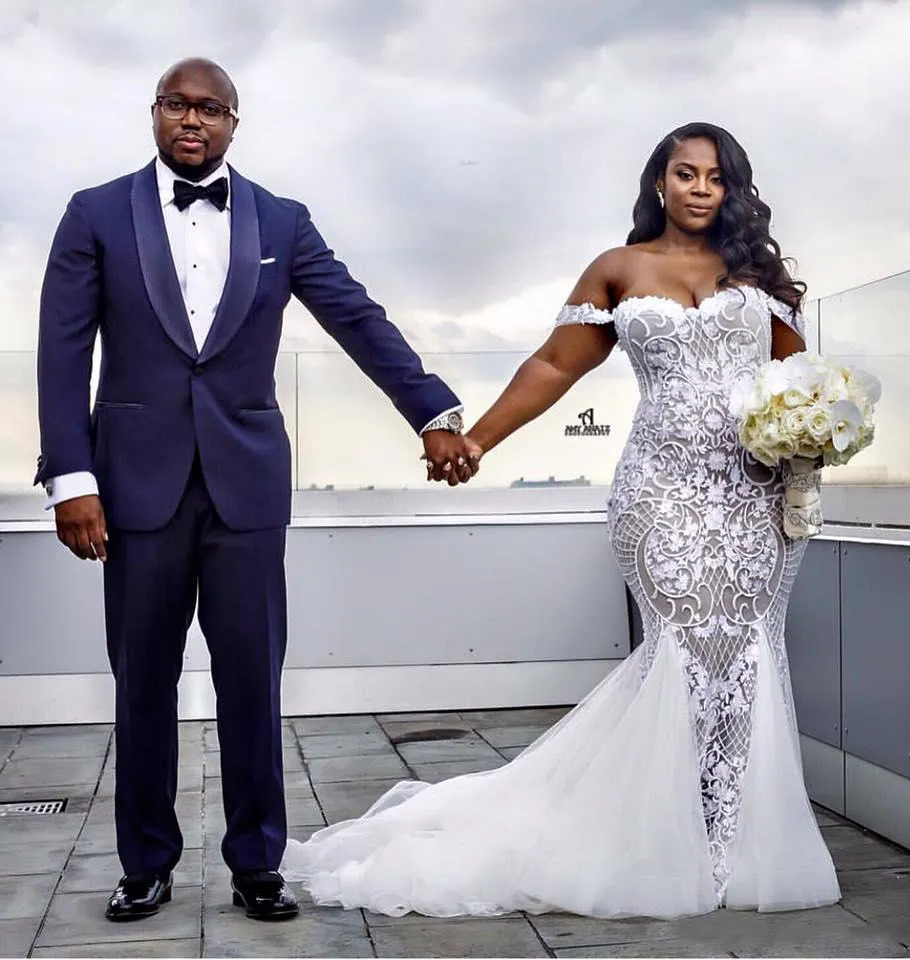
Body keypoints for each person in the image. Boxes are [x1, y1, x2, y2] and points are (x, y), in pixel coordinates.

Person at [281, 122, 841, 919]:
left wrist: (817, 430)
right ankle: (672, 841)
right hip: (662, 495)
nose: (699, 189)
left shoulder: (752, 275)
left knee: (746, 654)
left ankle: (731, 839)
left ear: (732, 189)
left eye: (715, 178)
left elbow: (798, 377)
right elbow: (553, 364)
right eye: (684, 174)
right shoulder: (619, 270)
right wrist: (475, 438)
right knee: (682, 650)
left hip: (753, 495)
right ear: (659, 182)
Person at [35, 57, 475, 923]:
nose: (191, 120)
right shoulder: (94, 214)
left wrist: (432, 411)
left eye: (210, 109)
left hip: (246, 490)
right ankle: (146, 864)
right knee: (143, 681)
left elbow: (354, 315)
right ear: (154, 114)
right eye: (176, 105)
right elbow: (60, 351)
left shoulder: (280, 219)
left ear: (236, 122)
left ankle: (256, 863)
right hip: (131, 491)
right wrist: (71, 477)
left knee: (250, 680)